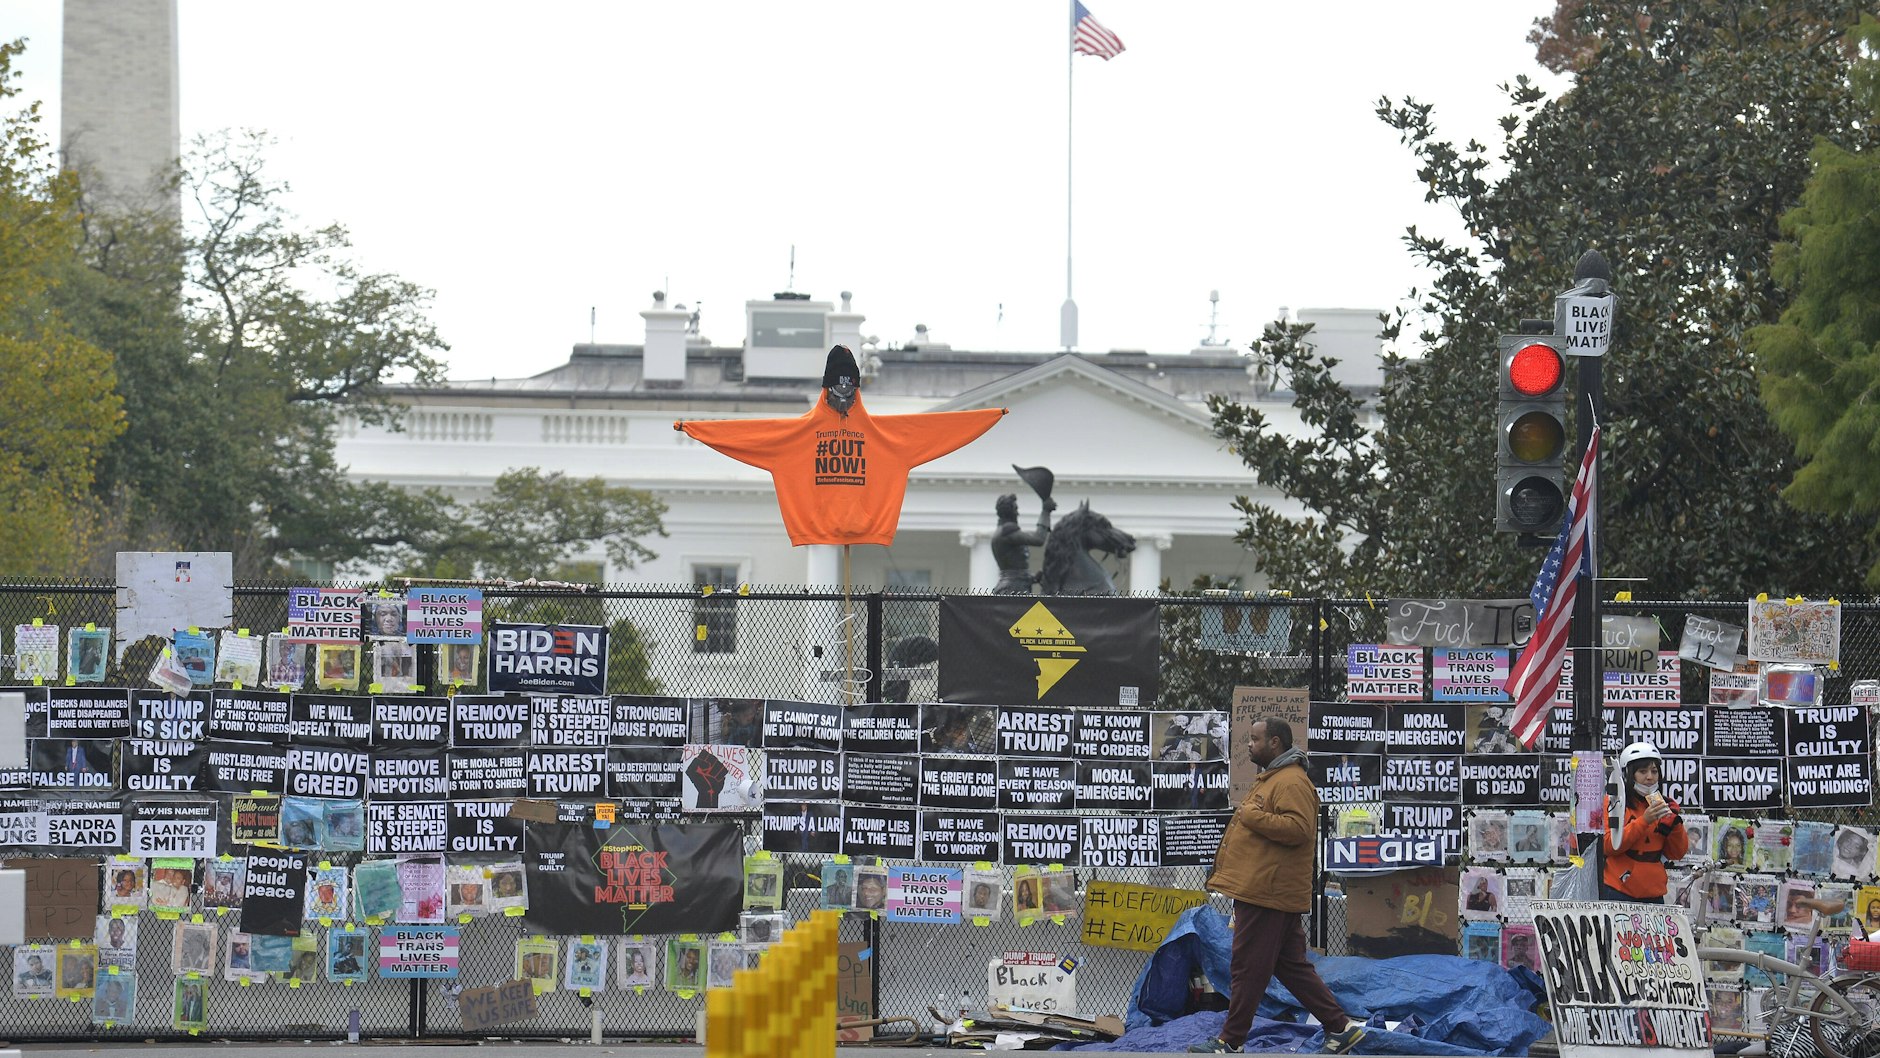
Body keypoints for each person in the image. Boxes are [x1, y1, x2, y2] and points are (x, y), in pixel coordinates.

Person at [1192, 717, 1365, 1055]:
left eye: (1255, 739)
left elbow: (1298, 829)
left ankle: (1230, 1041)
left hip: (1267, 893)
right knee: (1291, 967)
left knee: (1246, 966)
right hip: (1268, 890)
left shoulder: (1291, 782)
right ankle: (1340, 1028)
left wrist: (1251, 816)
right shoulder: (1277, 778)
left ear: (1275, 743)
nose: (1249, 745)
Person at [1602, 741, 1690, 902]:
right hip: (1619, 889)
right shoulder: (1614, 803)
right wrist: (1644, 821)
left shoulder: (1663, 804)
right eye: (1642, 771)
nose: (1649, 777)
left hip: (1654, 891)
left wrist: (1675, 825)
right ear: (1629, 774)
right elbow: (1609, 846)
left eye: (1654, 771)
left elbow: (1676, 853)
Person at [991, 492, 1054, 594]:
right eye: (1016, 509)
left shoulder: (1001, 532)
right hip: (1014, 588)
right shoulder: (1007, 532)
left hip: (1013, 585)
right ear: (1009, 512)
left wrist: (1032, 577)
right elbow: (1038, 539)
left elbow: (1014, 569)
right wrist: (1045, 512)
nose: (1018, 513)